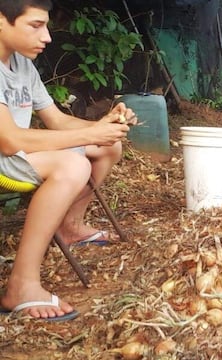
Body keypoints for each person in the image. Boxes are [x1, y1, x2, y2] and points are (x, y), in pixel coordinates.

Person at [0, 0, 134, 320]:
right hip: (7, 154)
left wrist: (104, 127)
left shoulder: (21, 64)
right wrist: (90, 135)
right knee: (73, 164)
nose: (46, 37)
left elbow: (57, 122)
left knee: (108, 148)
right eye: (35, 26)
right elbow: (10, 140)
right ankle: (22, 283)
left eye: (45, 26)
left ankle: (70, 227)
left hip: (15, 153)